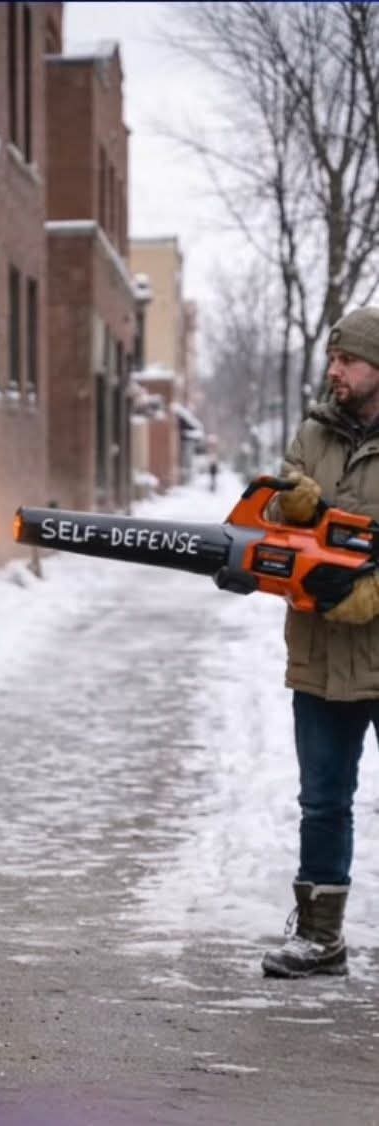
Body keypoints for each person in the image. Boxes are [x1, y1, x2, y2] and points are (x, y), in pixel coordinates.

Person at [261, 306, 379, 979]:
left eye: (348, 360)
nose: (334, 371)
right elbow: (277, 516)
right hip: (320, 657)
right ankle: (319, 939)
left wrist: (373, 596)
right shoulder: (314, 432)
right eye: (333, 359)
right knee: (323, 800)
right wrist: (292, 505)